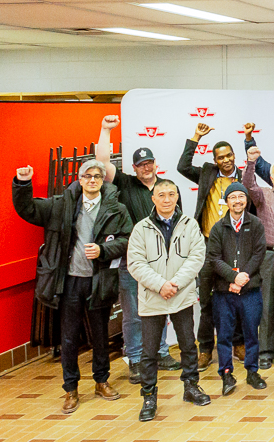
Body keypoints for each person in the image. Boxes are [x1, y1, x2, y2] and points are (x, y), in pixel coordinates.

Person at [12, 160, 131, 414]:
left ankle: (101, 381)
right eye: (87, 176)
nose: (92, 180)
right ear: (79, 179)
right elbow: (28, 209)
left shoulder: (116, 208)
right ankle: (71, 389)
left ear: (102, 180)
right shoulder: (61, 205)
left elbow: (127, 239)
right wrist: (23, 184)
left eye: (97, 176)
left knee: (100, 334)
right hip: (69, 282)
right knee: (68, 337)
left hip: (99, 280)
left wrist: (103, 250)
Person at [93, 115, 181, 380]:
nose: (146, 167)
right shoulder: (125, 183)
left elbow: (178, 223)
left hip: (163, 261)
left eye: (149, 162)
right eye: (141, 164)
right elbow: (102, 164)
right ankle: (135, 358)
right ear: (134, 167)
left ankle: (161, 352)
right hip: (132, 261)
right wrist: (105, 130)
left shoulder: (168, 188)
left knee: (161, 307)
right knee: (133, 312)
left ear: (156, 164)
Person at [126, 179, 211, 421]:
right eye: (161, 194)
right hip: (152, 298)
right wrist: (160, 285)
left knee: (187, 345)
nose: (166, 199)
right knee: (149, 352)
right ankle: (149, 396)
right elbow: (135, 263)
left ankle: (191, 387)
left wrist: (174, 284)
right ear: (153, 199)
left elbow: (197, 257)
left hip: (181, 296)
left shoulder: (190, 225)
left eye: (171, 194)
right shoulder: (141, 228)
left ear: (177, 197)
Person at [177, 122, 238, 368]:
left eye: (229, 155)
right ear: (214, 160)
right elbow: (182, 166)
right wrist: (196, 137)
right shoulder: (206, 174)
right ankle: (205, 349)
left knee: (238, 298)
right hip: (206, 247)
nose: (225, 160)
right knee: (207, 301)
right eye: (220, 157)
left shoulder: (243, 177)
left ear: (235, 156)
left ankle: (239, 343)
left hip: (235, 246)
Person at [206, 183, 267, 396]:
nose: (238, 200)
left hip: (250, 290)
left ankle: (252, 371)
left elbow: (259, 254)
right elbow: (213, 258)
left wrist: (243, 277)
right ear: (227, 201)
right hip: (224, 291)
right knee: (224, 335)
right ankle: (226, 374)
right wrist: (233, 277)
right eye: (233, 197)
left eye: (242, 196)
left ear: (246, 200)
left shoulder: (256, 224)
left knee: (252, 333)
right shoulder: (217, 228)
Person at [241, 146, 274, 371]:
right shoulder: (262, 194)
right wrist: (251, 162)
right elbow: (247, 185)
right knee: (268, 305)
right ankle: (265, 352)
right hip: (270, 255)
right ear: (271, 178)